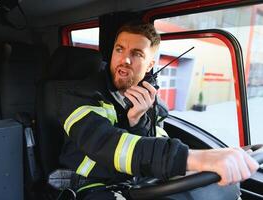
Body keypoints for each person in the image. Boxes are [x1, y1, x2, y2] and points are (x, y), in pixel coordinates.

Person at [58, 22, 259, 200]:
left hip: (138, 184)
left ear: (150, 65)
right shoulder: (78, 96)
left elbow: (157, 146)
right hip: (89, 186)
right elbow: (106, 145)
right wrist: (200, 159)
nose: (125, 60)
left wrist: (137, 122)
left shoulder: (153, 104)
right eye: (120, 50)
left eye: (136, 54)